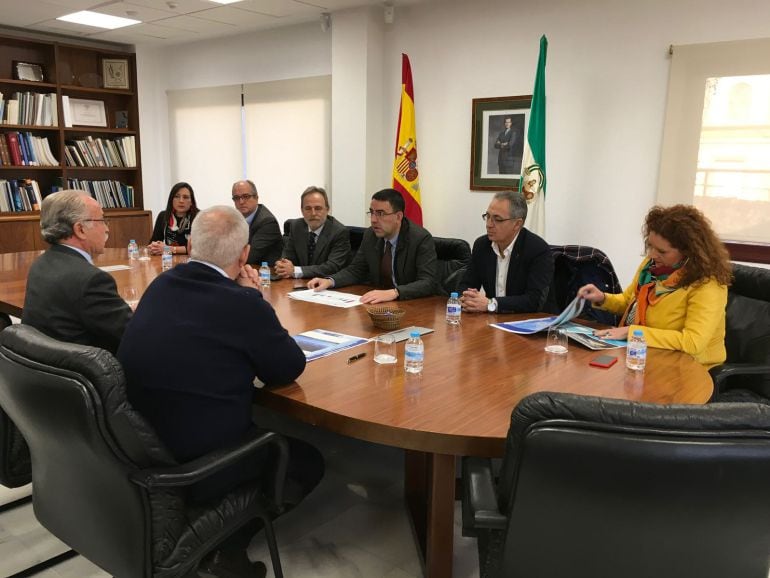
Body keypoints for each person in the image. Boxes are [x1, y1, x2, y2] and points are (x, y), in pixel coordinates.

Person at [117, 205, 323, 578]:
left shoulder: (163, 284)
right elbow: (287, 367)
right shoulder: (242, 304)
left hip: (140, 440)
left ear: (192, 243)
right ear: (244, 254)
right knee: (307, 460)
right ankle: (223, 547)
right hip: (201, 460)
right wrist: (255, 300)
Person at [578, 204, 732, 366]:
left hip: (690, 369)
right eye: (650, 246)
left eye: (662, 251)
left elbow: (692, 342)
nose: (652, 254)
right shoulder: (651, 268)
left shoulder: (707, 284)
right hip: (646, 356)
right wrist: (602, 298)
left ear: (689, 253)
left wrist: (633, 333)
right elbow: (630, 303)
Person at [22, 190, 132, 354]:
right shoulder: (92, 280)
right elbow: (133, 335)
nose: (107, 228)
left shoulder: (40, 263)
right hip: (86, 373)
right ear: (80, 229)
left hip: (45, 367)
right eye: (102, 220)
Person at [307, 188, 437, 303]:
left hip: (412, 305)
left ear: (398, 217)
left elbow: (428, 282)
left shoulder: (420, 238)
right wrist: (330, 281)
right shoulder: (371, 234)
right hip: (379, 304)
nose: (373, 219)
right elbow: (356, 270)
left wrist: (394, 292)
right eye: (372, 212)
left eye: (380, 213)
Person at [459, 190, 554, 314]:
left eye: (497, 219)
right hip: (492, 321)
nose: (489, 224)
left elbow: (534, 300)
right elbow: (467, 283)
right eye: (487, 217)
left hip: (527, 323)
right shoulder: (482, 245)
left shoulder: (537, 250)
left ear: (517, 224)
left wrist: (491, 304)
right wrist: (467, 297)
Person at [275, 186, 351, 279]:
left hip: (327, 287)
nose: (313, 213)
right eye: (308, 208)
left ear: (327, 209)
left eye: (318, 208)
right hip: (299, 285)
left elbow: (332, 267)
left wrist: (295, 271)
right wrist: (283, 266)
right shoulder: (296, 226)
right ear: (302, 210)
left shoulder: (339, 232)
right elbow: (287, 256)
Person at [231, 179, 283, 266]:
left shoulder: (268, 222)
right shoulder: (235, 218)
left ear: (256, 198)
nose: (241, 202)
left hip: (266, 275)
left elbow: (249, 257)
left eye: (246, 196)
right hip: (247, 271)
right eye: (236, 198)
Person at [148, 181, 198, 256]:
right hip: (168, 260)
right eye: (177, 196)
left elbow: (197, 248)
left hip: (191, 261)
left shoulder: (199, 217)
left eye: (185, 197)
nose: (181, 201)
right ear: (171, 200)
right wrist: (154, 247)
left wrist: (168, 249)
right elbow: (154, 241)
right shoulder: (163, 216)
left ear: (191, 202)